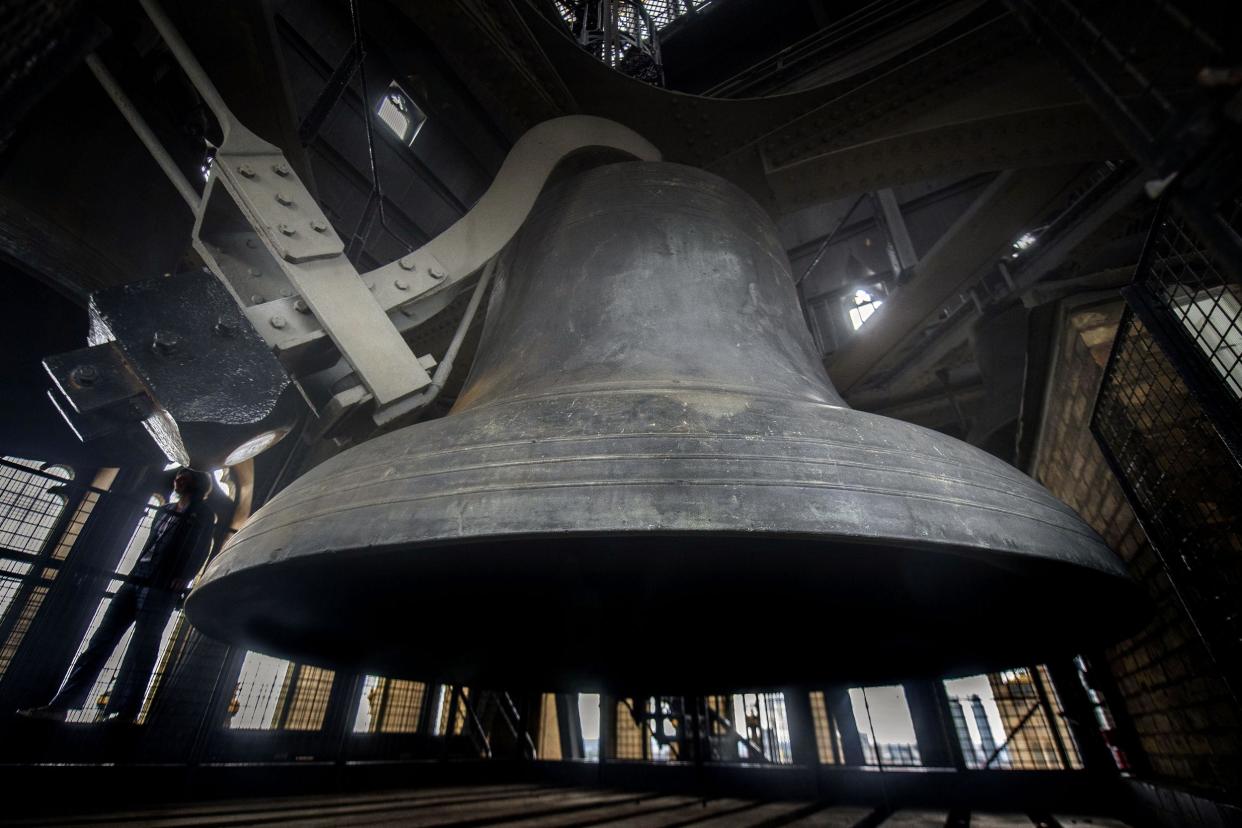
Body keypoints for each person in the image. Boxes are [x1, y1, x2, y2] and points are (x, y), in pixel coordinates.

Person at [17, 468, 216, 723]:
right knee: (101, 641)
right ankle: (61, 705)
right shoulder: (165, 509)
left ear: (197, 482)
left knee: (142, 650)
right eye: (178, 474)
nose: (178, 478)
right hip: (138, 577)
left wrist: (185, 575)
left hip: (162, 584)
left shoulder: (202, 514)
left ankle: (126, 713)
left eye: (185, 475)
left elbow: (202, 547)